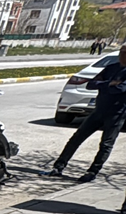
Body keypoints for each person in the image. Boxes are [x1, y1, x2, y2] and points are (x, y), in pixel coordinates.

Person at [45, 43, 126, 194]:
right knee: (77, 137)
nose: (122, 55)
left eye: (125, 53)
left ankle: (92, 171)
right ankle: (59, 166)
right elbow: (91, 84)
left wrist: (105, 85)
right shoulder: (111, 67)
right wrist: (109, 83)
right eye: (121, 52)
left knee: (106, 144)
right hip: (98, 111)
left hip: (117, 114)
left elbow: (121, 88)